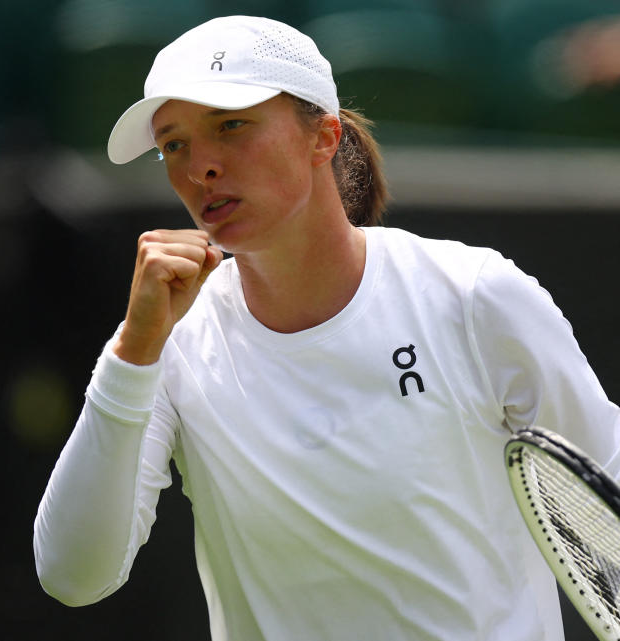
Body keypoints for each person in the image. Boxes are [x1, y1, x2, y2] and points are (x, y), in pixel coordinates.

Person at [33, 15, 620, 641]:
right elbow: (74, 575)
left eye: (230, 126)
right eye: (173, 144)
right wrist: (132, 353)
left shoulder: (475, 296)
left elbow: (607, 504)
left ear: (323, 137)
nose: (199, 165)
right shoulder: (165, 345)